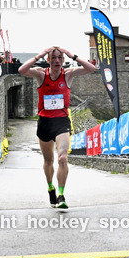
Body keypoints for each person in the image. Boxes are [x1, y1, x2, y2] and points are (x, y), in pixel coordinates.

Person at [19, 46, 97, 209]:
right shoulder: (41, 74)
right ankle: (50, 188)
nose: (57, 61)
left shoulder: (68, 74)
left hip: (62, 121)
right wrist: (39, 55)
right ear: (48, 60)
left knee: (62, 158)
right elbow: (22, 70)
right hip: (45, 122)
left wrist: (72, 55)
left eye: (60, 58)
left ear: (63, 60)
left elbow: (91, 68)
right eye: (53, 58)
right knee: (49, 160)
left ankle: (61, 195)